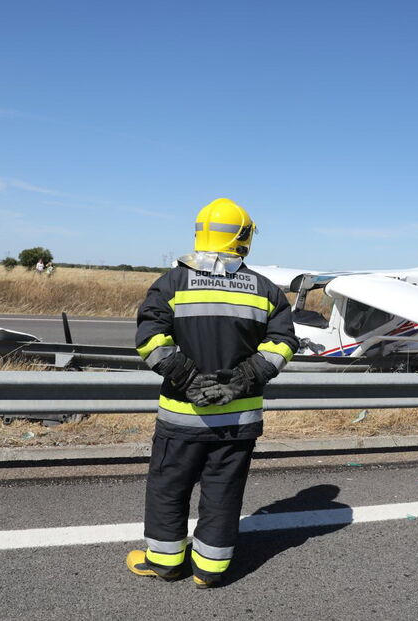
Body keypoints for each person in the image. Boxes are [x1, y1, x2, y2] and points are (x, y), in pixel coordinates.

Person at [127, 198, 298, 589]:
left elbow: (150, 340)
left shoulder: (172, 283)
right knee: (223, 491)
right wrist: (241, 380)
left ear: (199, 233)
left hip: (182, 419)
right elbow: (283, 344)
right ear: (244, 237)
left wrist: (188, 380)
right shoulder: (265, 289)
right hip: (238, 420)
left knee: (169, 488)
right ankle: (210, 570)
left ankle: (165, 562)